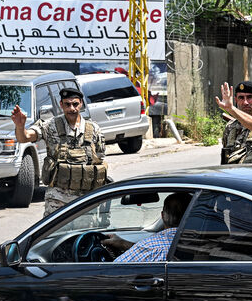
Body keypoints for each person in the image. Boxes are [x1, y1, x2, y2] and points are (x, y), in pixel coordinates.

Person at [12, 87, 107, 216]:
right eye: (67, 104)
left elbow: (100, 162)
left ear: (81, 104)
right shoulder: (50, 125)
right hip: (58, 198)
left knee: (84, 235)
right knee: (55, 235)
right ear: (61, 105)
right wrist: (20, 126)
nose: (72, 108)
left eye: (75, 104)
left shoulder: (94, 129)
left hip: (86, 199)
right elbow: (24, 137)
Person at [113, 192, 192, 262]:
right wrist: (124, 244)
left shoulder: (149, 247)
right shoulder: (200, 244)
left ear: (162, 216)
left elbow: (112, 269)